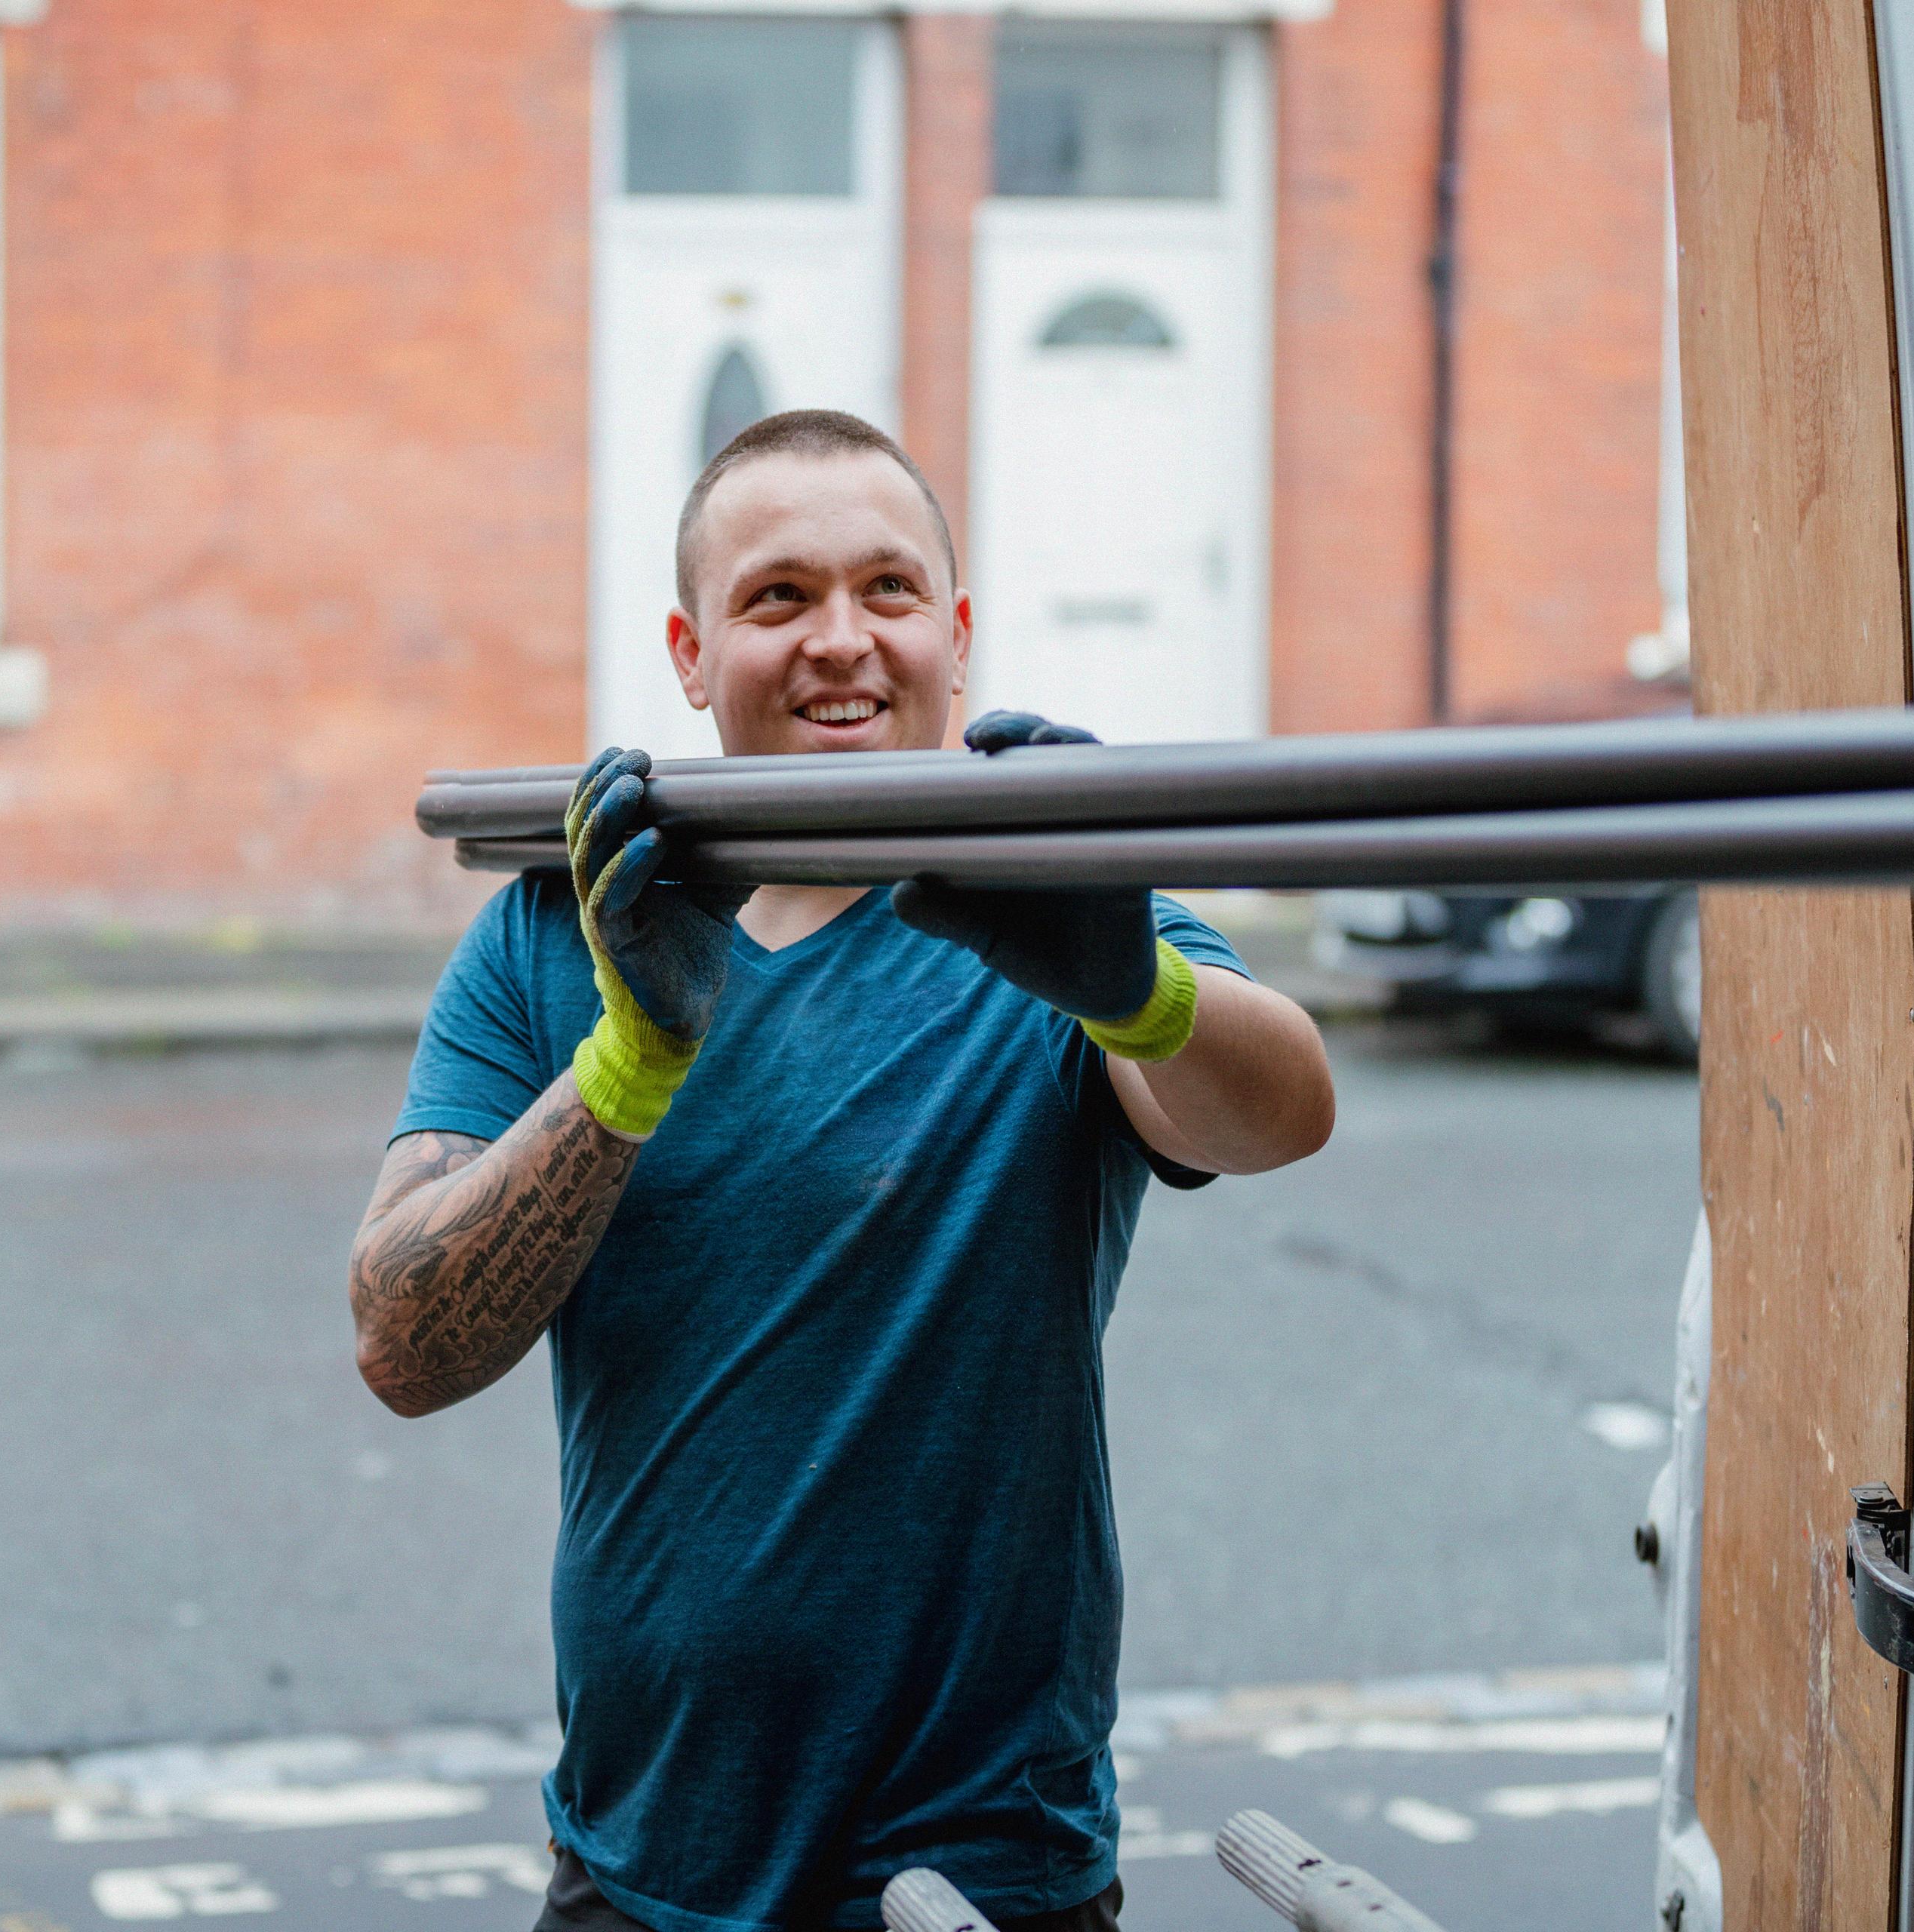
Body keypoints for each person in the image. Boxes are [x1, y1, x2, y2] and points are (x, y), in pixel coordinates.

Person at [349, 410, 1336, 1932]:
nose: (841, 639)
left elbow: (1280, 1114)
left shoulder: (1055, 905)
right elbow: (403, 1344)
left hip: (976, 1869)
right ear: (691, 655)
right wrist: (629, 1063)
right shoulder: (564, 926)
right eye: (778, 597)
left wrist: (1131, 986)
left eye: (888, 589)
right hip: (640, 1849)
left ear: (957, 632)